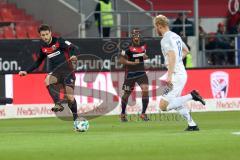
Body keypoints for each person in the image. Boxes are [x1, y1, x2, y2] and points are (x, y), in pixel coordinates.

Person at [18, 24, 80, 130]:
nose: (45, 36)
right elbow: (38, 62)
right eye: (43, 35)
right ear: (40, 36)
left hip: (68, 71)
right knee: (47, 80)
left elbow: (73, 47)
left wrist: (73, 55)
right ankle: (58, 103)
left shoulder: (59, 41)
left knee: (70, 98)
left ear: (50, 33)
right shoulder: (43, 47)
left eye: (47, 34)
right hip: (56, 72)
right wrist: (26, 71)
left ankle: (76, 119)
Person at [153, 15, 205, 131]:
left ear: (159, 26)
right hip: (181, 73)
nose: (155, 29)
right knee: (175, 102)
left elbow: (171, 56)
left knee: (163, 106)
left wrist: (170, 76)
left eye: (155, 27)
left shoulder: (165, 39)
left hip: (176, 75)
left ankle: (192, 95)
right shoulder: (175, 36)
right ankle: (192, 124)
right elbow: (187, 50)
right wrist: (177, 61)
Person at [119, 28, 149, 122]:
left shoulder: (144, 46)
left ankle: (143, 114)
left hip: (141, 72)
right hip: (130, 73)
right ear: (132, 36)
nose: (136, 36)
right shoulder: (126, 47)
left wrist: (145, 57)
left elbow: (144, 56)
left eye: (138, 34)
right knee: (126, 95)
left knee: (145, 89)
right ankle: (123, 114)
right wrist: (132, 63)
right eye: (135, 34)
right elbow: (121, 60)